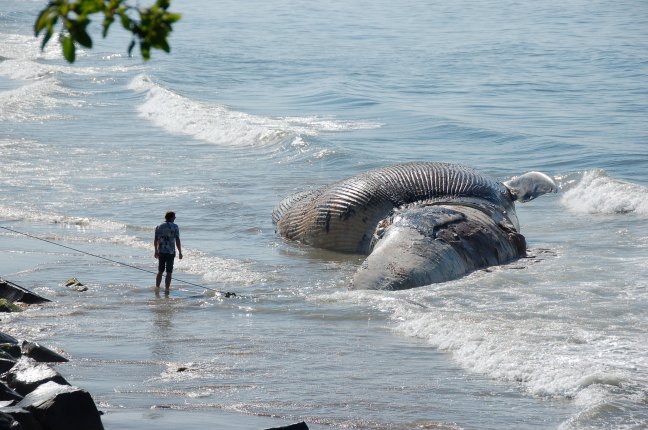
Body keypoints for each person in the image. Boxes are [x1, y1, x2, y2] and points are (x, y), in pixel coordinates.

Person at [154, 211, 183, 292]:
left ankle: (157, 288)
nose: (175, 218)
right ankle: (167, 289)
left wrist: (155, 251)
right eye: (174, 216)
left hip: (161, 251)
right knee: (169, 272)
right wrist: (180, 252)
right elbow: (177, 240)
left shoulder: (159, 226)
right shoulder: (175, 226)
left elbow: (156, 240)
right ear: (171, 217)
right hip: (170, 252)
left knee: (160, 271)